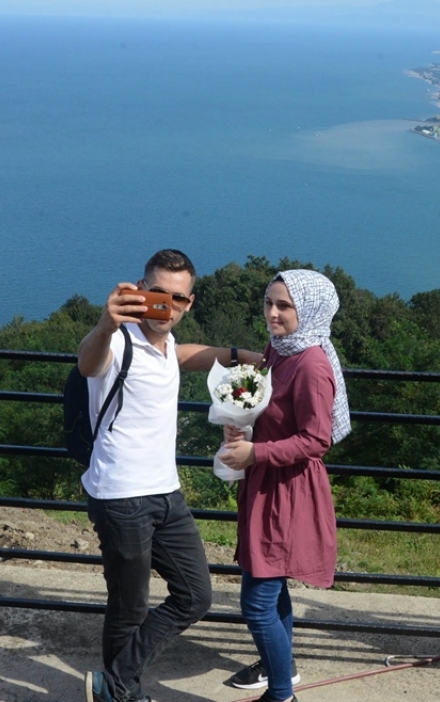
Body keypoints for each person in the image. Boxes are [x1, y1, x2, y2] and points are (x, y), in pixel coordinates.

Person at [77, 248, 259, 702]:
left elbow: (187, 356)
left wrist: (246, 356)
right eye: (157, 294)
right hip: (120, 496)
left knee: (196, 595)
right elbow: (88, 363)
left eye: (177, 299)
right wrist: (105, 323)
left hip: (165, 494)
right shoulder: (117, 341)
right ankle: (123, 693)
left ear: (189, 302)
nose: (166, 306)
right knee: (129, 606)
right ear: (139, 291)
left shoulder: (165, 346)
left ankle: (115, 682)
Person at [216, 269, 352, 702]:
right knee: (271, 589)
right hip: (268, 484)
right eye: (269, 303)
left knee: (257, 602)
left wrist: (256, 453)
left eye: (284, 306)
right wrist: (240, 430)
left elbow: (317, 439)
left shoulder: (311, 364)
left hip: (288, 492)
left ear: (308, 311)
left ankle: (280, 695)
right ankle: (283, 669)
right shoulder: (279, 351)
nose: (272, 314)